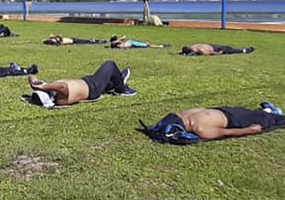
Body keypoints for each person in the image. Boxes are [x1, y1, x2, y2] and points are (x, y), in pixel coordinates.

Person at [144, 103, 284, 142]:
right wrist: (248, 130)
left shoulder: (188, 117)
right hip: (232, 118)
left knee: (256, 114)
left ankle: (270, 111)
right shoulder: (199, 127)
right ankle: (271, 112)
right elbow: (226, 132)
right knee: (266, 118)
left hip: (225, 112)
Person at [27, 60, 135, 107]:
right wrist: (44, 86)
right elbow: (62, 86)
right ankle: (121, 89)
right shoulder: (60, 98)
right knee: (110, 65)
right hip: (92, 87)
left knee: (108, 79)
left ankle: (115, 83)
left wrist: (33, 82)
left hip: (89, 82)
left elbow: (32, 76)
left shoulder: (54, 91)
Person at [180, 43, 255, 56]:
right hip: (215, 48)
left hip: (213, 46)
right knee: (229, 49)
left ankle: (244, 50)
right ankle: (245, 51)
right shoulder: (197, 48)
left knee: (228, 48)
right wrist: (219, 53)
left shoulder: (194, 47)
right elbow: (210, 52)